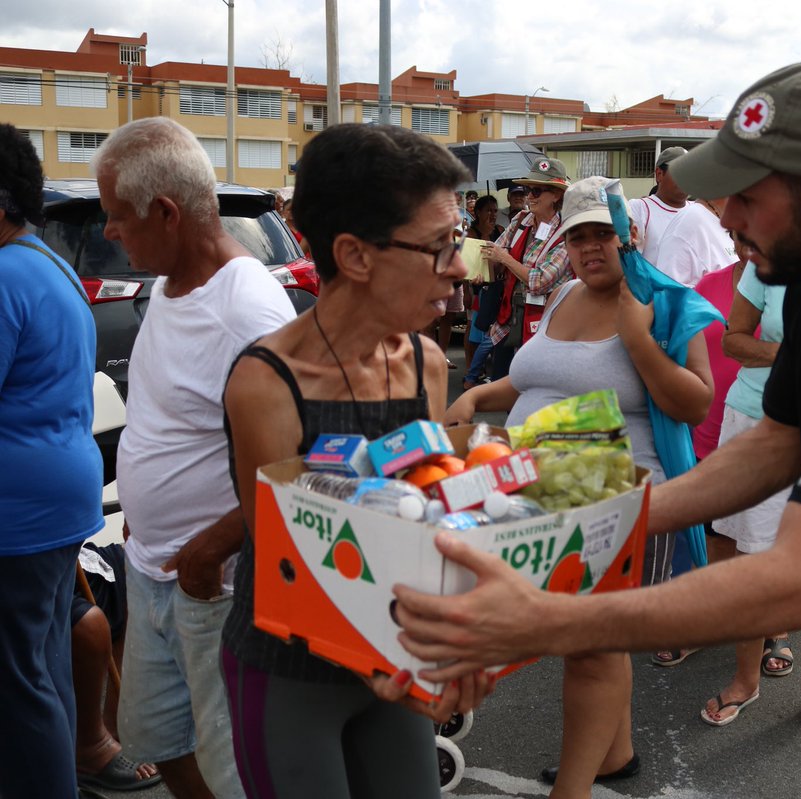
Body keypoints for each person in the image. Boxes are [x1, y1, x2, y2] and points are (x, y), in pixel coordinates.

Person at [393, 60, 801, 799]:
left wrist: (546, 620)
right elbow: (778, 441)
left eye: (746, 197)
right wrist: (619, 516)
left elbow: (791, 584)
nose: (726, 217)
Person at [221, 123, 491, 798]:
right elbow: (289, 564)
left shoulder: (427, 364)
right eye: (439, 246)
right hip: (289, 672)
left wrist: (463, 638)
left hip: (391, 666)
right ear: (355, 254)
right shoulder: (265, 381)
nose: (460, 267)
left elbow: (424, 516)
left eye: (456, 242)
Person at [444, 175, 712, 798]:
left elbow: (695, 403)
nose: (591, 248)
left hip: (614, 495)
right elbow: (537, 376)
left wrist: (639, 338)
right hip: (536, 487)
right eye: (577, 237)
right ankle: (612, 753)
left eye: (603, 235)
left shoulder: (665, 301)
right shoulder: (563, 292)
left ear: (630, 235)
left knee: (590, 644)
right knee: (592, 642)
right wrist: (482, 393)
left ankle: (574, 789)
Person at [95, 118, 297, 799]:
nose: (109, 233)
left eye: (117, 217)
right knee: (159, 741)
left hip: (216, 585)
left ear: (166, 212)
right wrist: (143, 520)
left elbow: (301, 460)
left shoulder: (248, 307)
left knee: (232, 763)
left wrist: (214, 544)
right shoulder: (168, 285)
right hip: (154, 564)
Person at [0, 121, 104, 799]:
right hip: (59, 496)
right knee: (42, 663)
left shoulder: (5, 274)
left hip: (19, 509)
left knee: (16, 681)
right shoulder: (50, 263)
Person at [701, 236, 801, 740]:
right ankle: (745, 679)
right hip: (757, 420)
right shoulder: (765, 265)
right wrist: (788, 354)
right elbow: (733, 339)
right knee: (749, 557)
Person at [73, 542, 163, 793]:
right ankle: (90, 745)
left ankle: (115, 723)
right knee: (87, 625)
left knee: (128, 564)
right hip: (17, 558)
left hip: (60, 553)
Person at [480, 158, 574, 379]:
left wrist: (504, 259)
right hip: (510, 318)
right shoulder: (522, 219)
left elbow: (538, 282)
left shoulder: (566, 233)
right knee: (503, 382)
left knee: (533, 389)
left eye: (537, 191)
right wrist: (482, 269)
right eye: (529, 190)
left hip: (544, 327)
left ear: (557, 195)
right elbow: (494, 252)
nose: (529, 196)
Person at [628, 146, 736, 287]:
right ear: (659, 174)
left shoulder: (701, 211)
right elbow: (629, 260)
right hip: (654, 295)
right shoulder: (641, 208)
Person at [463, 194, 505, 388]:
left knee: (493, 333)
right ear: (477, 212)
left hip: (498, 288)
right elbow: (466, 265)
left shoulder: (501, 232)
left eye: (495, 211)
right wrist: (467, 291)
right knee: (475, 330)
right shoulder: (471, 234)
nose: (492, 214)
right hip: (478, 287)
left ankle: (485, 372)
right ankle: (471, 370)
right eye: (488, 210)